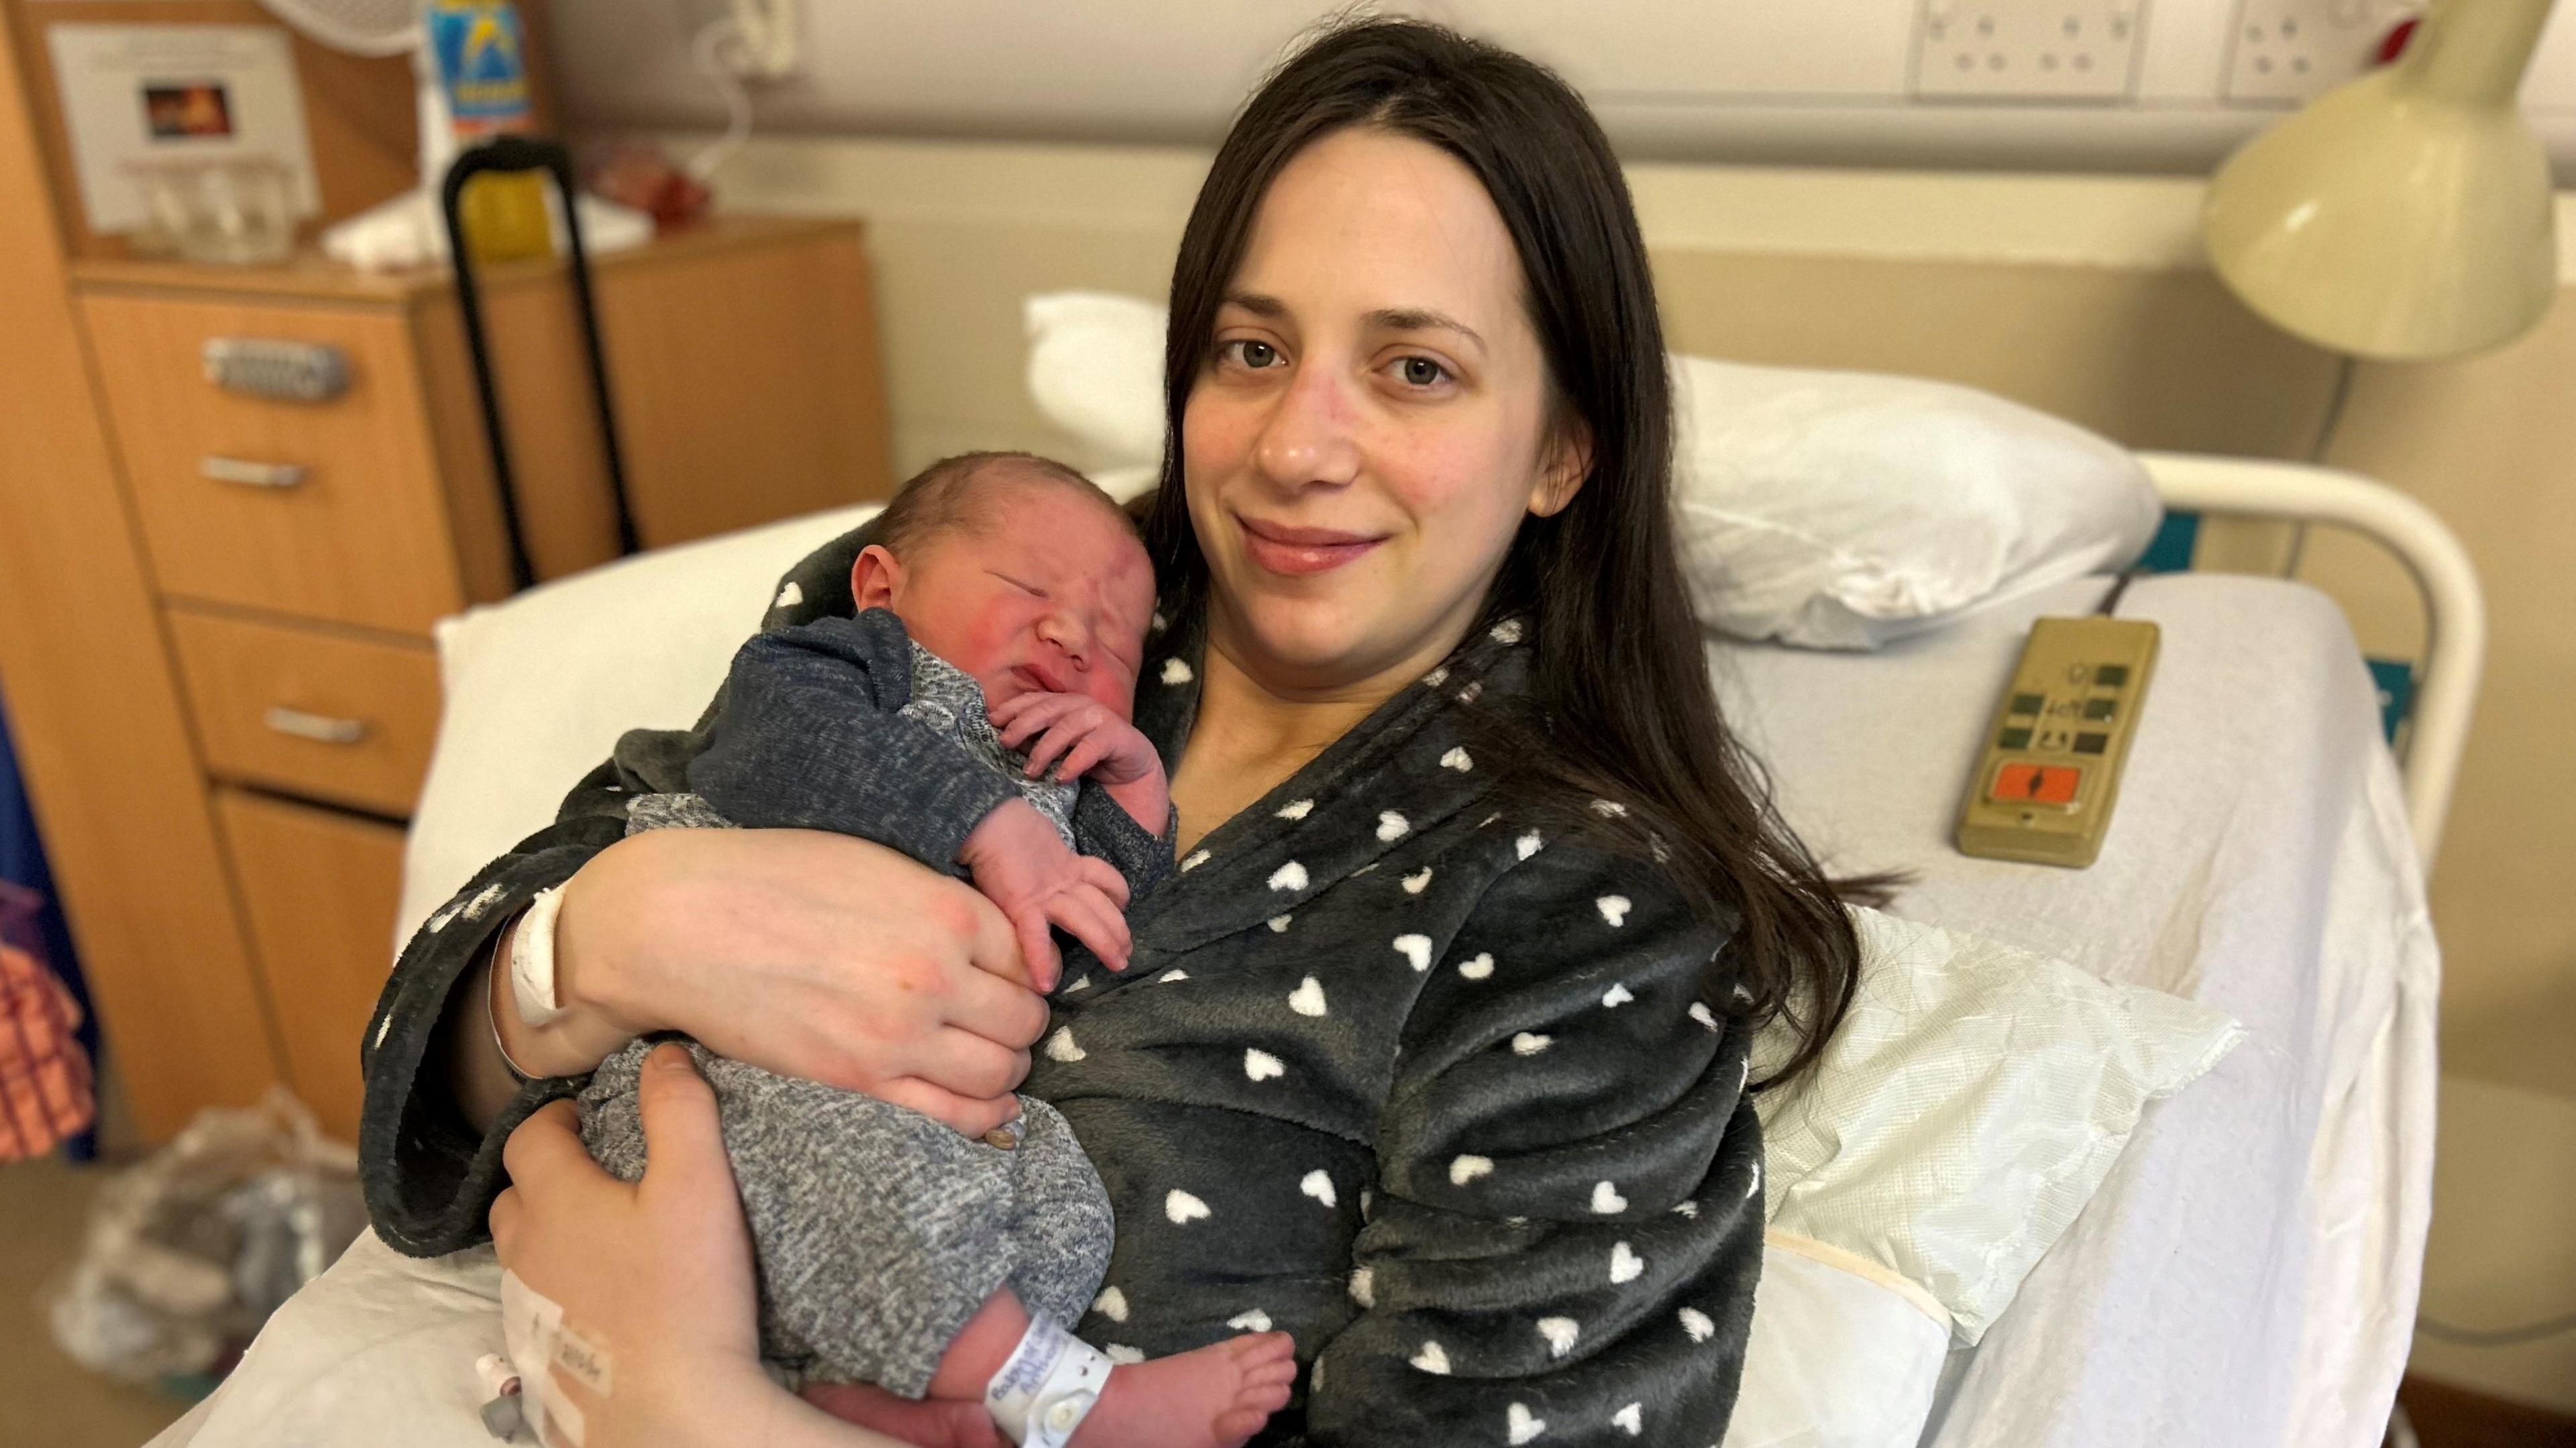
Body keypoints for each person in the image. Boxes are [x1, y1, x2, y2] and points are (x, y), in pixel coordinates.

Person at [361, 18, 1863, 1447]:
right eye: (1252, 351)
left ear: (1561, 448)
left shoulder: (1580, 914)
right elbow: (422, 1099)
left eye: (1417, 369)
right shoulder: (1017, 599)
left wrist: (694, 1412)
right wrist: (604, 935)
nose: (1297, 447)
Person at [567, 451, 1293, 1448]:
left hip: (919, 1109)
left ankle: (877, 1398)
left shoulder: (1055, 768)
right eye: (1029, 589)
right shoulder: (843, 677)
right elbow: (776, 745)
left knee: (1062, 1198)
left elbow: (1106, 927)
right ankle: (1071, 1404)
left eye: (1117, 644)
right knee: (874, 1184)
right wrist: (991, 825)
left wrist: (1134, 792)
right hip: (725, 1069)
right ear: (880, 588)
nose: (1072, 634)